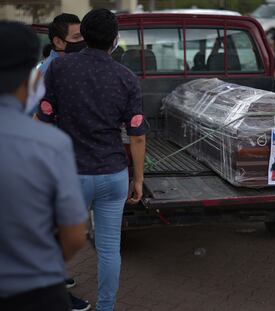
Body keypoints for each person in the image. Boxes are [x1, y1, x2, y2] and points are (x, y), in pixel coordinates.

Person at [37, 9, 147, 311]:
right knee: (110, 248)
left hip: (71, 173)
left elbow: (43, 117)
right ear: (114, 40)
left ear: (83, 35)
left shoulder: (60, 69)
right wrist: (137, 178)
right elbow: (137, 134)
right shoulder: (125, 77)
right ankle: (106, 307)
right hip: (113, 174)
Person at [0, 21, 87, 311]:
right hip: (35, 293)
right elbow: (74, 235)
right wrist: (36, 265)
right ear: (31, 78)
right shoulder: (50, 144)